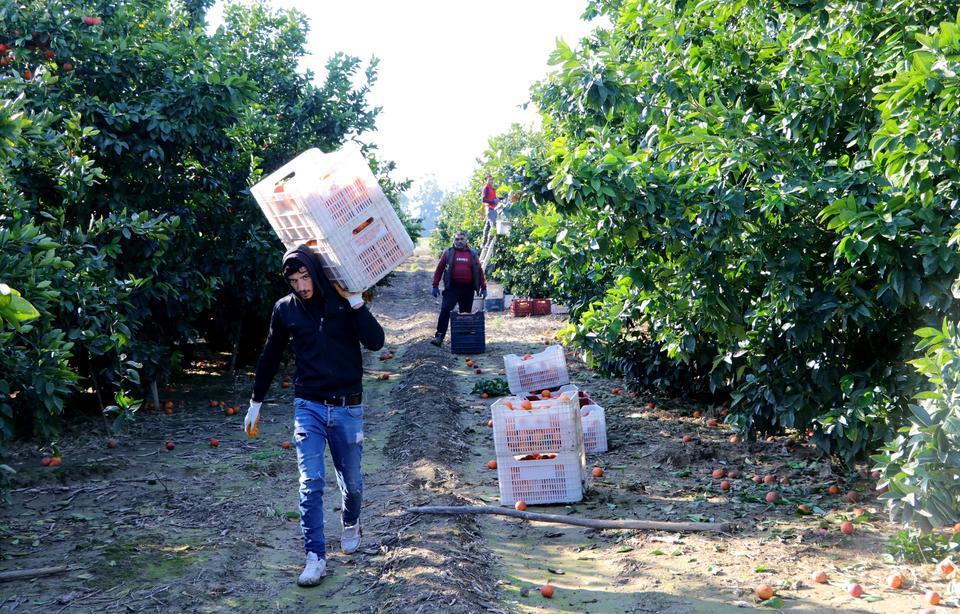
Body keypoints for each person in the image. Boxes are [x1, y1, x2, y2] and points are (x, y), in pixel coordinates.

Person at [244, 245, 385, 587]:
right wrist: (256, 401)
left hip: (347, 406)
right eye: (294, 280)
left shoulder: (341, 302)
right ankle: (315, 556)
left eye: (305, 277)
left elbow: (376, 342)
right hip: (308, 406)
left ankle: (350, 522)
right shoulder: (285, 310)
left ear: (316, 273)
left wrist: (356, 302)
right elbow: (270, 355)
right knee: (311, 482)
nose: (302, 286)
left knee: (352, 483)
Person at [430, 231, 487, 347]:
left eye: (461, 239)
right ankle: (439, 337)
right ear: (454, 241)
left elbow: (479, 271)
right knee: (445, 310)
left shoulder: (472, 254)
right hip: (452, 288)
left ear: (465, 240)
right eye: (457, 239)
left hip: (468, 289)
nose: (459, 241)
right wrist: (435, 286)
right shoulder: (448, 253)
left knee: (465, 314)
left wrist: (483, 287)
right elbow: (439, 269)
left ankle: (463, 339)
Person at [481, 175, 499, 246]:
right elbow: (483, 199)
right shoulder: (486, 188)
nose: (491, 181)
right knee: (493, 226)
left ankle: (484, 243)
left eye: (491, 180)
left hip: (493, 208)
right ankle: (488, 243)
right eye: (489, 180)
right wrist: (493, 201)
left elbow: (493, 198)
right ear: (486, 180)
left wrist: (499, 199)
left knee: (487, 226)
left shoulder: (492, 189)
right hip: (490, 208)